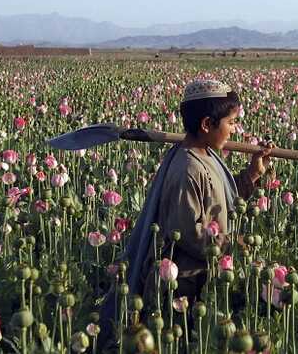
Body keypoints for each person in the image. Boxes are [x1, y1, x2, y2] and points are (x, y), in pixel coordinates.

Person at [98, 79, 272, 347]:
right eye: (231, 122)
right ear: (206, 125)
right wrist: (233, 245)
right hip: (185, 289)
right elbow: (189, 234)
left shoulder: (207, 155)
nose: (234, 131)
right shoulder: (187, 169)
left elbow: (222, 202)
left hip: (207, 277)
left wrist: (252, 174)